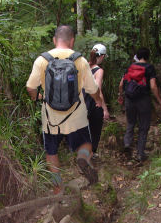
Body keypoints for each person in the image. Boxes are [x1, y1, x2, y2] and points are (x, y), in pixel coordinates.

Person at [26, 25, 104, 193]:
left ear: (54, 40)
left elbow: (31, 87)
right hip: (77, 117)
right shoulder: (80, 61)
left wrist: (38, 98)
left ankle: (57, 187)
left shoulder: (42, 60)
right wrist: (98, 101)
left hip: (51, 119)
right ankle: (83, 158)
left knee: (51, 153)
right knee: (86, 144)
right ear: (72, 41)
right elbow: (93, 89)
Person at [118, 47, 161, 162]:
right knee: (143, 127)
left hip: (129, 99)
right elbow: (153, 86)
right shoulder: (149, 68)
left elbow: (121, 84)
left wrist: (121, 95)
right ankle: (140, 153)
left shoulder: (130, 67)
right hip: (143, 100)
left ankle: (127, 143)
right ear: (147, 56)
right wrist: (159, 100)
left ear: (137, 56)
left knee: (131, 122)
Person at [86, 43, 111, 158]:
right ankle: (90, 155)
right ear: (102, 56)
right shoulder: (98, 70)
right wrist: (105, 109)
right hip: (93, 103)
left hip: (81, 102)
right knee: (95, 129)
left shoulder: (84, 66)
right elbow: (98, 90)